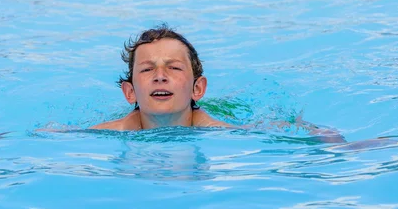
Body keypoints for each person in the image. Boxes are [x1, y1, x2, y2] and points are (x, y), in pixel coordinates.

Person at [89, 24, 345, 143]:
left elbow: (268, 130)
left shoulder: (217, 129)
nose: (160, 76)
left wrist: (323, 136)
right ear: (130, 92)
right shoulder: (107, 132)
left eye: (174, 67)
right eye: (147, 69)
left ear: (197, 89)